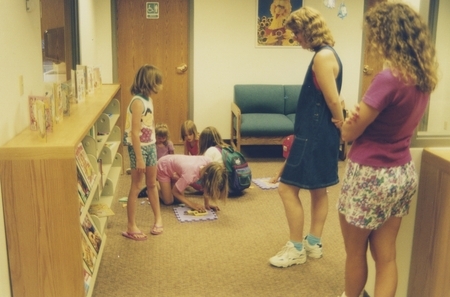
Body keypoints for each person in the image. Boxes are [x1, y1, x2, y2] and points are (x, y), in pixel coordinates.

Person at [336, 3, 438, 297]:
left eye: (376, 35)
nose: (374, 41)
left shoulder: (388, 78)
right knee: (387, 256)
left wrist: (348, 120)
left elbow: (349, 132)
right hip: (401, 173)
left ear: (387, 35)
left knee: (355, 253)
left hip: (370, 175)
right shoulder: (422, 78)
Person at [269, 6, 344, 268]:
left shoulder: (322, 57)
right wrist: (336, 122)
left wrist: (340, 121)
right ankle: (314, 243)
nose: (296, 38)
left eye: (297, 33)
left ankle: (297, 248)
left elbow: (333, 99)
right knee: (318, 188)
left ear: (308, 30)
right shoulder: (330, 54)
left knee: (286, 188)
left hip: (313, 134)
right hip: (322, 134)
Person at [122, 64, 164, 240]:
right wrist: (139, 158)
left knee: (152, 183)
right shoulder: (138, 102)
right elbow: (134, 132)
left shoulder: (148, 99)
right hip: (139, 148)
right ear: (149, 82)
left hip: (151, 145)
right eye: (158, 82)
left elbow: (149, 124)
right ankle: (131, 226)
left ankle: (158, 219)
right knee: (137, 185)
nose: (160, 86)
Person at [157, 154, 228, 212]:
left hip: (175, 171)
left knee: (178, 200)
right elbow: (175, 192)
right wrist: (192, 204)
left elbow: (207, 185)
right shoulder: (189, 175)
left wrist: (207, 204)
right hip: (163, 167)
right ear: (206, 175)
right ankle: (154, 187)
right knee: (169, 201)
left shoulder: (209, 164)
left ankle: (171, 181)